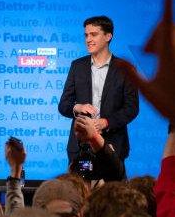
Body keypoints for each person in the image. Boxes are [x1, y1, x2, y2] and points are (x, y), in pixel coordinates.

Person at [57, 16, 139, 177]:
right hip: (80, 147)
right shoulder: (77, 66)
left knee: (112, 198)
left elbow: (131, 108)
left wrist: (106, 122)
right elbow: (63, 105)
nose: (88, 39)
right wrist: (78, 107)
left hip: (113, 145)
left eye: (94, 34)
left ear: (108, 36)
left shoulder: (125, 69)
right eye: (86, 35)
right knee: (79, 198)